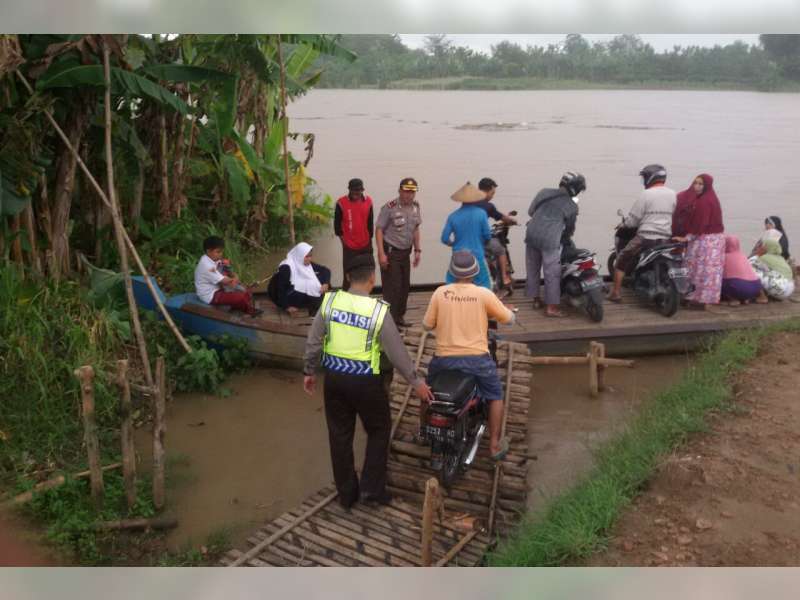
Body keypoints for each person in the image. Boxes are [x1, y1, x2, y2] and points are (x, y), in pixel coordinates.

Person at [303, 254, 433, 509]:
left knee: (339, 436)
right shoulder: (378, 310)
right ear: (372, 279)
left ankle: (347, 494)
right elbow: (396, 353)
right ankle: (372, 490)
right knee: (379, 430)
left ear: (348, 277)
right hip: (365, 382)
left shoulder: (329, 302)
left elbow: (314, 341)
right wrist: (416, 382)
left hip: (335, 380)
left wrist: (308, 370)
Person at [422, 250, 516, 461]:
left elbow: (426, 325)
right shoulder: (483, 294)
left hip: (443, 360)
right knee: (495, 395)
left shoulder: (440, 293)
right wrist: (508, 312)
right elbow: (508, 319)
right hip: (477, 360)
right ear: (475, 272)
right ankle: (493, 445)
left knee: (427, 393)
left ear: (452, 272)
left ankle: (424, 433)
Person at [608, 164, 676, 303]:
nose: (644, 180)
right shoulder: (673, 194)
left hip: (646, 238)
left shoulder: (646, 194)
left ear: (650, 177)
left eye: (644, 177)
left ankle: (615, 293)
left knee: (622, 258)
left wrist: (624, 224)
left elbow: (633, 220)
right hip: (665, 238)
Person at [524, 171, 585, 317]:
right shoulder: (572, 206)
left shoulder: (543, 192)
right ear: (575, 189)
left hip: (531, 234)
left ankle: (536, 300)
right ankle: (551, 308)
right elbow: (570, 230)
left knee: (533, 268)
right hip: (550, 240)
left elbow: (531, 211)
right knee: (552, 273)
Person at [673, 173, 726, 308]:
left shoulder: (703, 201)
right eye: (695, 183)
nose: (696, 186)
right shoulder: (712, 198)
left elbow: (700, 225)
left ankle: (692, 297)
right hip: (716, 240)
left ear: (706, 185)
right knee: (709, 272)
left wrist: (686, 237)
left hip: (705, 241)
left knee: (694, 268)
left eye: (700, 184)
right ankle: (704, 300)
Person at [375, 177, 422, 327]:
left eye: (412, 192)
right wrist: (381, 253)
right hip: (391, 253)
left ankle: (399, 317)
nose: (409, 195)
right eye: (406, 191)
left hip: (405, 253)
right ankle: (389, 321)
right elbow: (379, 229)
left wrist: (418, 249)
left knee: (404, 286)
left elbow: (415, 228)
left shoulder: (416, 207)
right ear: (400, 190)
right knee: (392, 287)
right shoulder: (390, 207)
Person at [441, 182, 492, 289]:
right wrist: (482, 243)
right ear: (475, 198)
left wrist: (454, 243)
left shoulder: (453, 216)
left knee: (451, 286)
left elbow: (444, 238)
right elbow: (487, 235)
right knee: (485, 286)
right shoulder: (481, 213)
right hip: (477, 255)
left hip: (458, 256)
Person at [194, 236, 261, 317]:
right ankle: (250, 311)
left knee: (245, 292)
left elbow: (229, 272)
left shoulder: (213, 259)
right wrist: (236, 279)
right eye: (218, 252)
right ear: (208, 251)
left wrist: (232, 273)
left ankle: (239, 307)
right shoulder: (207, 266)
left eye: (221, 252)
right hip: (210, 295)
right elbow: (227, 281)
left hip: (218, 288)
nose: (220, 254)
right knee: (241, 296)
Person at [267, 242, 331, 316]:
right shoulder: (287, 267)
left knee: (321, 278)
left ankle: (316, 304)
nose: (310, 259)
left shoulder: (304, 262)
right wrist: (286, 307)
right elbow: (280, 289)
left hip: (296, 293)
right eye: (307, 256)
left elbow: (325, 270)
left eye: (310, 256)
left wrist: (326, 283)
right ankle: (315, 305)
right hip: (285, 296)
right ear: (300, 256)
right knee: (311, 284)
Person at [476, 177, 517, 292]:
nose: (493, 195)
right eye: (492, 193)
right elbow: (501, 217)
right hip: (482, 239)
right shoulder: (488, 206)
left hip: (469, 239)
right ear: (487, 191)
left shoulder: (469, 203)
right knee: (501, 250)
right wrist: (513, 221)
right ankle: (504, 277)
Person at [334, 178, 374, 290]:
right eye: (354, 191)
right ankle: (345, 301)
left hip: (366, 244)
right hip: (349, 246)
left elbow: (370, 224)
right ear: (349, 190)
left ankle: (363, 299)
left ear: (362, 190)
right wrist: (344, 243)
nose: (356, 193)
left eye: (359, 191)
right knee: (349, 275)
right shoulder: (341, 203)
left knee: (366, 274)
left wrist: (369, 240)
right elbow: (337, 228)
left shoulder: (368, 201)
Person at [721, 235, 766, 306]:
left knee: (720, 280)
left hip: (738, 288)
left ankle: (733, 299)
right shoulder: (743, 255)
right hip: (755, 288)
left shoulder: (724, 257)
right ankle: (747, 298)